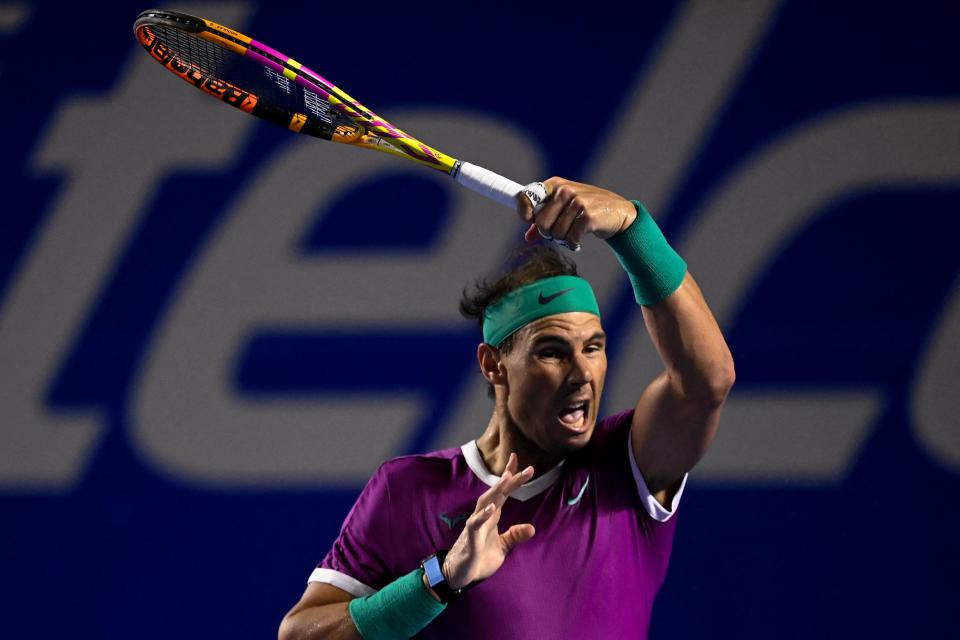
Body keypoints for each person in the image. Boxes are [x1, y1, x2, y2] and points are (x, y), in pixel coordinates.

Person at [278, 178, 735, 639]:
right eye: (552, 352)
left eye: (593, 348)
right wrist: (439, 579)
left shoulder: (626, 465)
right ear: (493, 364)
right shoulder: (407, 490)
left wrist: (631, 229)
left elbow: (707, 379)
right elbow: (299, 635)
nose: (582, 373)